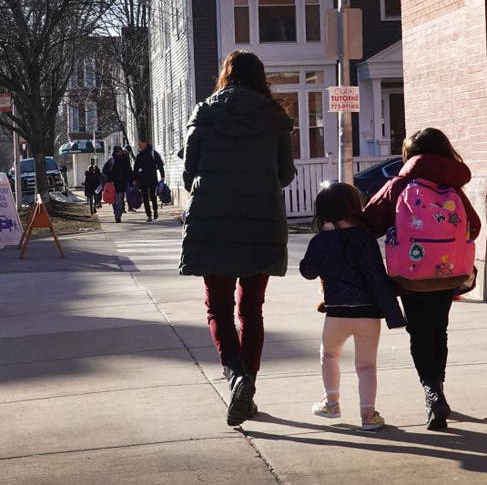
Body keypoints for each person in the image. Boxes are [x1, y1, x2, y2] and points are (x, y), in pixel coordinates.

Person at [179, 50, 296, 427]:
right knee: (251, 310)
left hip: (213, 222)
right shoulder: (274, 118)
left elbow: (188, 175)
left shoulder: (204, 113)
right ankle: (248, 389)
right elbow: (286, 174)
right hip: (260, 221)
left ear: (226, 75)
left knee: (218, 308)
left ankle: (236, 377)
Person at [362, 128, 481, 430]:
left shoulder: (399, 185)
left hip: (411, 277)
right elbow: (475, 227)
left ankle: (431, 393)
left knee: (419, 333)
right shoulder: (453, 188)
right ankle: (437, 389)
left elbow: (369, 222)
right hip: (448, 275)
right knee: (438, 330)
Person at [299, 182, 407, 431]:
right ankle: (368, 415)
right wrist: (393, 313)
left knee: (329, 355)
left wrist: (324, 240)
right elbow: (377, 277)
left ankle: (331, 402)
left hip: (337, 313)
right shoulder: (364, 239)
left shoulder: (321, 241)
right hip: (368, 314)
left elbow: (307, 270)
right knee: (367, 366)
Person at [133, 140, 165, 222]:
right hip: (142, 179)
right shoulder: (139, 156)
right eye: (139, 145)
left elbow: (160, 164)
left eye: (141, 145)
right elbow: (135, 168)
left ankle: (155, 211)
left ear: (145, 143)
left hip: (152, 178)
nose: (139, 147)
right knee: (145, 197)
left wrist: (162, 176)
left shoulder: (153, 153)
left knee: (153, 196)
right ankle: (148, 215)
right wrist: (135, 179)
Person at [102, 146, 132, 223]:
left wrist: (131, 180)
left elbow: (129, 171)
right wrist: (108, 180)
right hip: (113, 185)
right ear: (115, 152)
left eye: (121, 151)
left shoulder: (125, 160)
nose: (120, 152)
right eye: (118, 151)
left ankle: (119, 216)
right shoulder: (111, 161)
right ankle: (116, 214)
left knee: (120, 200)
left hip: (122, 184)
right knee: (114, 201)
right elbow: (105, 172)